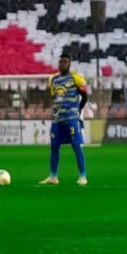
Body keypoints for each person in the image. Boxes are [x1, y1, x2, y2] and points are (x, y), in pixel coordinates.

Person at [40, 54, 88, 186]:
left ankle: (82, 176)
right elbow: (54, 97)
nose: (62, 64)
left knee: (76, 146)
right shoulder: (53, 79)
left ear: (69, 64)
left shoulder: (75, 78)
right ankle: (53, 176)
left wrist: (79, 109)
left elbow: (84, 95)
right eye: (61, 62)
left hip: (71, 119)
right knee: (54, 147)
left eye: (65, 62)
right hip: (57, 120)